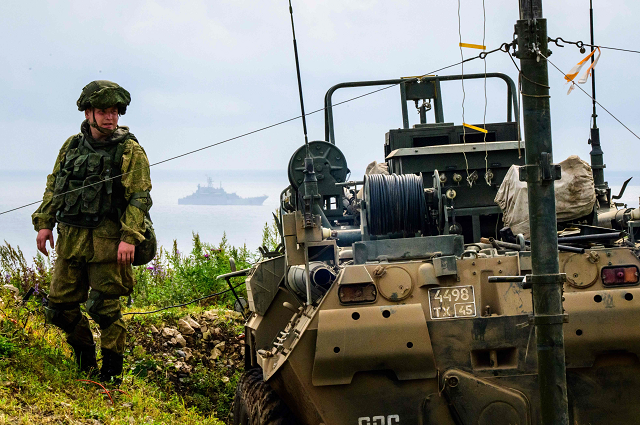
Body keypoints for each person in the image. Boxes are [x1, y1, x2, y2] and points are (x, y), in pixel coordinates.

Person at [32, 80, 152, 383]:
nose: (110, 117)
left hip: (108, 241)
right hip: (71, 239)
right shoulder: (72, 146)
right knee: (58, 308)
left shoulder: (130, 151)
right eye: (103, 111)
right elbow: (56, 184)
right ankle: (85, 360)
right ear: (89, 113)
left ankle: (111, 373)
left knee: (104, 306)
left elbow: (140, 196)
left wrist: (129, 239)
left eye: (114, 112)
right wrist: (44, 222)